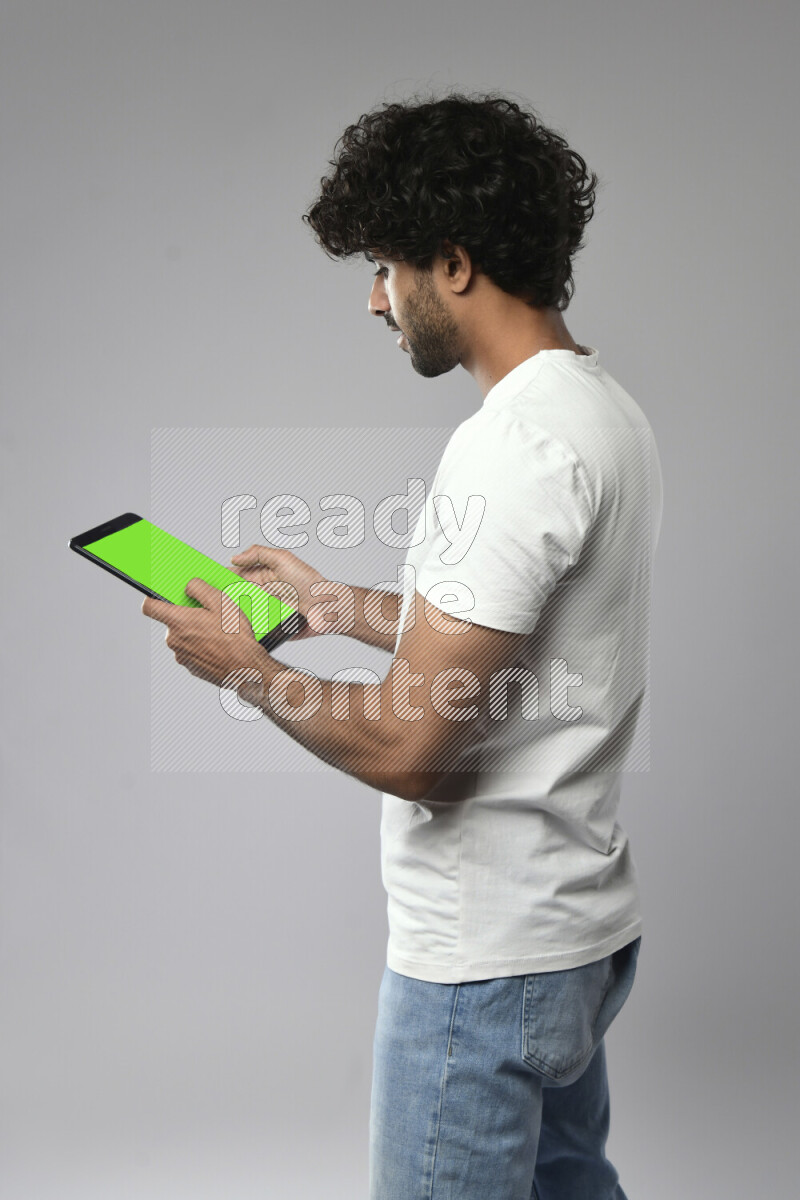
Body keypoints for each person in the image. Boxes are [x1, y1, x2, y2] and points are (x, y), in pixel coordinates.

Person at [143, 92, 662, 1198]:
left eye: (384, 267)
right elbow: (528, 642)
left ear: (454, 263)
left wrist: (253, 671)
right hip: (573, 932)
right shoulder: (599, 410)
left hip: (479, 965)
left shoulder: (509, 450)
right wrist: (344, 607)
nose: (375, 303)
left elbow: (414, 751)